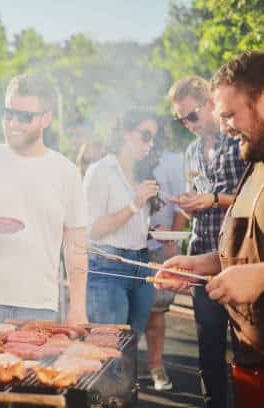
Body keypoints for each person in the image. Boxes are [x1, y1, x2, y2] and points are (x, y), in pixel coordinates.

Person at [157, 50, 264, 407]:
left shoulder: (247, 148)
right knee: (210, 352)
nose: (224, 127)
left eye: (230, 115)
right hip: (252, 357)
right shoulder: (245, 158)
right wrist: (202, 263)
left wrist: (259, 277)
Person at [0, 73, 88, 338]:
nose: (13, 123)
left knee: (29, 377)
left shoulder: (65, 172)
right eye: (8, 114)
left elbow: (75, 245)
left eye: (25, 117)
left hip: (37, 305)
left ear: (46, 118)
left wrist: (78, 307)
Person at [167, 74, 247, 408]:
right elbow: (201, 199)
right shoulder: (191, 150)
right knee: (208, 347)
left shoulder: (242, 141)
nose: (187, 123)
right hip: (202, 257)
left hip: (240, 258)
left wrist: (213, 199)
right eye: (180, 119)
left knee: (247, 349)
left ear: (211, 104)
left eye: (191, 116)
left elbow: (251, 199)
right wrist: (190, 203)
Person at [83, 110, 160, 338]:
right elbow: (94, 230)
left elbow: (133, 226)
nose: (150, 143)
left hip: (142, 266)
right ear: (126, 133)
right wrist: (135, 204)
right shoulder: (100, 171)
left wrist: (156, 232)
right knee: (108, 352)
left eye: (153, 138)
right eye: (145, 135)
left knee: (131, 349)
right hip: (108, 268)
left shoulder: (142, 172)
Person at [135, 118, 187, 391]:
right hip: (130, 247)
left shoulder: (173, 161)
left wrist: (170, 241)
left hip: (158, 249)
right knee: (127, 314)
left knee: (155, 314)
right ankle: (126, 368)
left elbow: (181, 206)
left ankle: (156, 366)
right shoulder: (127, 159)